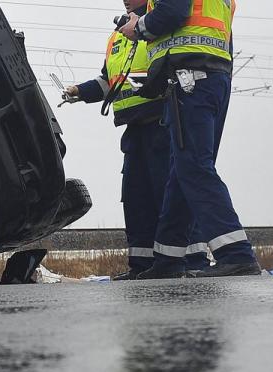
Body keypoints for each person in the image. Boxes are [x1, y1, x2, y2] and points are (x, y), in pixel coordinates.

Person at [64, 0, 209, 278]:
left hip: (164, 121)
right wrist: (79, 92)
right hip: (134, 130)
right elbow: (109, 81)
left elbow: (172, 58)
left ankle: (192, 262)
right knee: (136, 198)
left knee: (171, 195)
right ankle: (142, 267)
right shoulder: (118, 35)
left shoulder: (160, 21)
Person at [121, 0, 262, 278]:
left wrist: (138, 26)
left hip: (192, 78)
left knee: (194, 168)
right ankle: (168, 260)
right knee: (180, 173)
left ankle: (236, 254)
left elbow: (173, 11)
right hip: (210, 77)